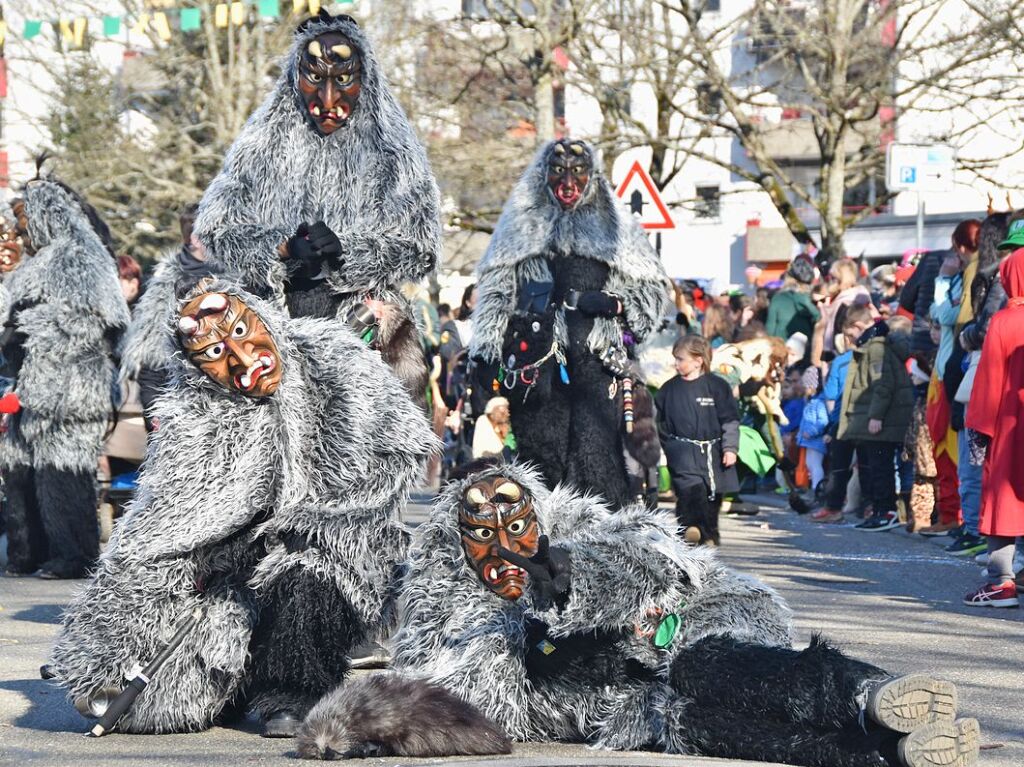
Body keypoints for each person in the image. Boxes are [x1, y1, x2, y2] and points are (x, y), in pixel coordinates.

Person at [299, 464, 980, 767]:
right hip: (635, 703)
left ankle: (869, 691)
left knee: (704, 666)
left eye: (515, 514)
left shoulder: (582, 527)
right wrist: (351, 720)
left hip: (696, 621)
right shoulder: (457, 615)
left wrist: (568, 574)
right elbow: (463, 709)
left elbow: (657, 554)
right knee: (702, 722)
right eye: (482, 526)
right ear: (456, 541)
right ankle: (884, 750)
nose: (503, 534)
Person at [49, 284, 436, 736]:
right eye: (215, 351)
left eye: (239, 331)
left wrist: (323, 516)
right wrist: (216, 545)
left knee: (308, 570)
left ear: (262, 318)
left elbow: (402, 448)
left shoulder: (336, 360)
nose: (241, 358)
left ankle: (292, 692)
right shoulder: (194, 412)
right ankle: (230, 684)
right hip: (238, 560)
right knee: (179, 685)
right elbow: (162, 523)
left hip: (337, 542)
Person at [192, 11, 439, 403]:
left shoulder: (392, 149)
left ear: (364, 79)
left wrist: (349, 251)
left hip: (364, 326)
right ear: (295, 79)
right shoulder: (263, 144)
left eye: (343, 80)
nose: (328, 100)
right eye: (314, 78)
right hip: (272, 328)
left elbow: (420, 246)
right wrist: (283, 248)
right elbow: (216, 228)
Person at [470, 139, 667, 508]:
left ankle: (604, 544)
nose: (568, 182)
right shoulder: (520, 224)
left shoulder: (616, 226)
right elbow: (497, 290)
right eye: (558, 172)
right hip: (535, 365)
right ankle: (542, 542)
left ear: (592, 177)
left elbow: (654, 291)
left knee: (597, 457)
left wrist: (616, 303)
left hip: (596, 363)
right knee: (542, 459)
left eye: (578, 172)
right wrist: (485, 352)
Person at [0, 178, 129, 579]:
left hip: (72, 390)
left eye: (24, 219)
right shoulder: (38, 262)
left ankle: (74, 556)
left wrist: (33, 327)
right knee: (27, 471)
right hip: (33, 388)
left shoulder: (80, 255)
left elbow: (106, 320)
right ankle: (32, 552)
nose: (19, 228)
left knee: (64, 473)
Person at [962, 235, 1024, 608]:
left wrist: (979, 431)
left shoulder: (1004, 320)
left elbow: (987, 384)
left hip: (1008, 426)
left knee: (1002, 499)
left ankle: (1002, 582)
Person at [120, 204, 211, 430]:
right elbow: (150, 362)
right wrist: (154, 413)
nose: (193, 237)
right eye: (188, 230)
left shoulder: (238, 280)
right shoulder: (163, 286)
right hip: (171, 413)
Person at [656, 336, 740, 545]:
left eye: (681, 359)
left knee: (711, 496)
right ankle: (690, 529)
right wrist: (670, 447)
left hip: (714, 452)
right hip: (682, 451)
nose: (676, 364)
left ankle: (709, 535)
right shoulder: (668, 389)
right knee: (688, 492)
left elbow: (730, 419)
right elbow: (659, 422)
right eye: (675, 359)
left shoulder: (717, 386)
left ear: (698, 360)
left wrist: (730, 447)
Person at [836, 311, 914, 532]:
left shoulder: (877, 348)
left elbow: (882, 383)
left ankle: (886, 511)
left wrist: (876, 416)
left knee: (881, 467)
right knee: (879, 465)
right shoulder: (878, 346)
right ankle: (882, 510)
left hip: (881, 419)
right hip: (883, 417)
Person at [810, 308, 871, 524]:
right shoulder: (874, 356)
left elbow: (831, 396)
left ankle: (833, 507)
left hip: (843, 420)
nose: (847, 340)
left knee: (839, 467)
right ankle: (868, 509)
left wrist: (832, 424)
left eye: (847, 335)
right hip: (866, 417)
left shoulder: (842, 361)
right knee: (866, 465)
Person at [766, 255, 819, 347]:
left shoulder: (778, 298)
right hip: (807, 351)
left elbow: (770, 330)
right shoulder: (814, 301)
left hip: (782, 351)